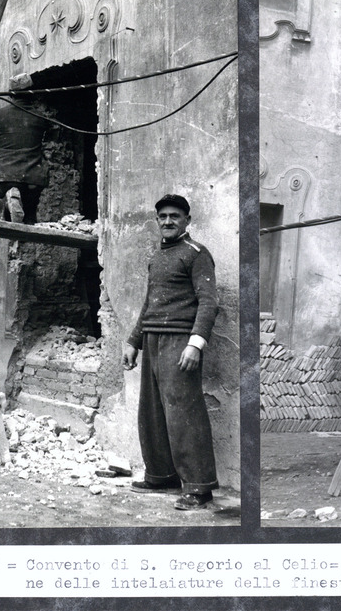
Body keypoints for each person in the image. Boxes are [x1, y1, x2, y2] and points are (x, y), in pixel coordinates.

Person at [122, 194, 220, 511]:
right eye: (162, 216)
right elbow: (149, 303)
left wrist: (196, 343)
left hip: (180, 341)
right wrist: (133, 341)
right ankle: (161, 476)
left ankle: (199, 487)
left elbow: (209, 302)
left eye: (174, 216)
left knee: (183, 412)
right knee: (151, 411)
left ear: (187, 220)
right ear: (157, 220)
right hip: (151, 339)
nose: (167, 221)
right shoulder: (157, 257)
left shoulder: (197, 254)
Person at [0, 73, 52, 224]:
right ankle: (16, 219)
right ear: (33, 95)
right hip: (33, 178)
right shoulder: (43, 119)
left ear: (10, 95)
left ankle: (6, 207)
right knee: (28, 220)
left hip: (3, 175)